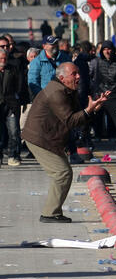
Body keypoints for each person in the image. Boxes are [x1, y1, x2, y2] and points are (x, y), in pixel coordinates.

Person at [21, 62, 109, 222]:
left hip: (49, 137)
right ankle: (50, 214)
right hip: (39, 138)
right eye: (74, 74)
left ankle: (52, 212)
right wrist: (88, 111)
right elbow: (71, 120)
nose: (78, 76)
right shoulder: (57, 93)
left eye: (78, 73)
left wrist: (93, 108)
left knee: (63, 173)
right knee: (62, 173)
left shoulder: (67, 90)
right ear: (62, 78)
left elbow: (77, 115)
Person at [0, 47, 28, 166]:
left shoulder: (13, 69)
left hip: (11, 105)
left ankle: (13, 156)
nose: (3, 60)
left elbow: (20, 85)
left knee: (14, 131)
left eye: (5, 58)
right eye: (1, 58)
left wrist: (17, 98)